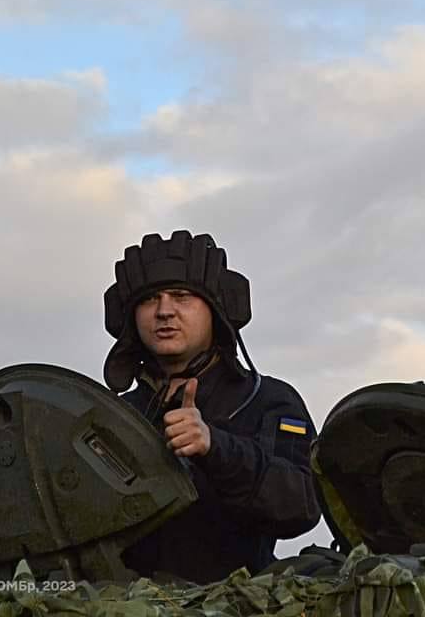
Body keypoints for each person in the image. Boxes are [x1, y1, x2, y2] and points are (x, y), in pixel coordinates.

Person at [102, 230, 320, 583]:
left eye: (181, 296)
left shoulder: (266, 400)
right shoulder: (113, 417)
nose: (164, 311)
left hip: (238, 599)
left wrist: (216, 447)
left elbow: (302, 505)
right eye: (149, 299)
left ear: (215, 310)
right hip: (123, 601)